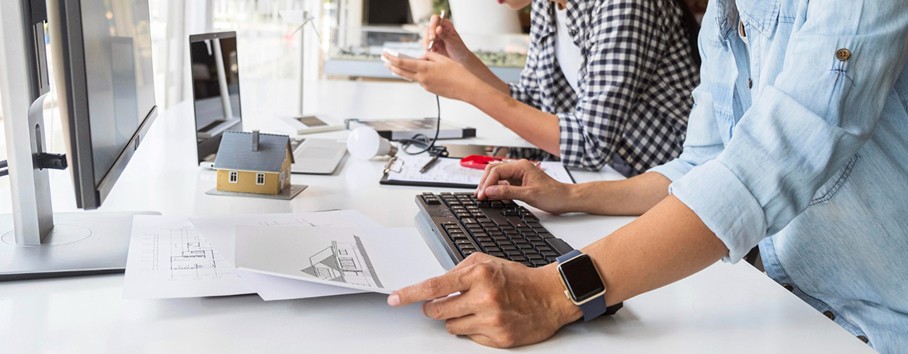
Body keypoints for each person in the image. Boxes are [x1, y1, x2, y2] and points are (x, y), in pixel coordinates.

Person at [386, 0, 908, 352]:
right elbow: (702, 164)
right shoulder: (725, 13)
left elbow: (773, 160)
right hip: (788, 305)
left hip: (879, 327)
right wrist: (570, 195)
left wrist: (554, 292)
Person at [383, 0, 701, 175]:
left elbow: (591, 143)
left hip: (660, 180)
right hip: (609, 173)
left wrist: (469, 90)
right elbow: (532, 103)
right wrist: (463, 59)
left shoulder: (623, 4)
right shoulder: (548, 6)